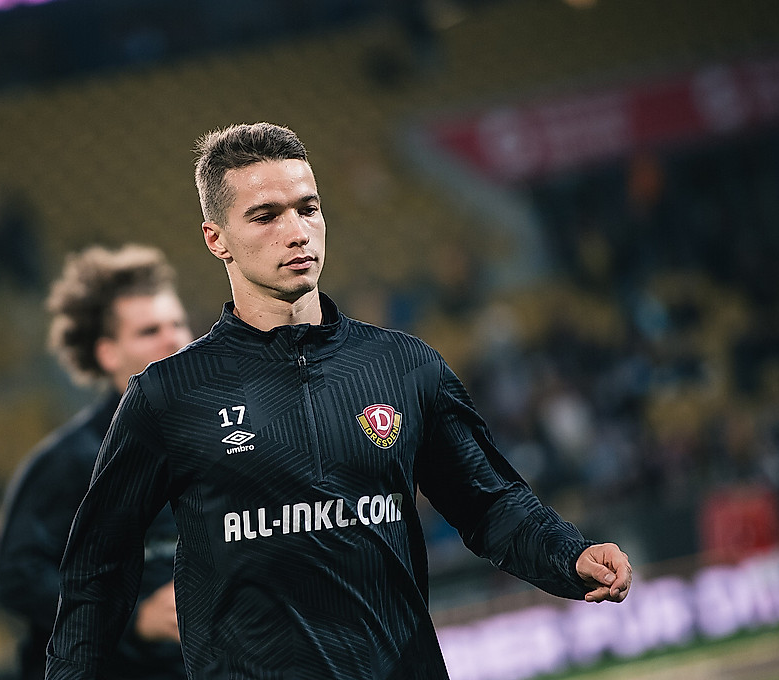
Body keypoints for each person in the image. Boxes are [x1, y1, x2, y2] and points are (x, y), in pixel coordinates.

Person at [44, 123, 632, 680]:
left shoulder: (405, 366)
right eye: (266, 216)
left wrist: (569, 556)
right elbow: (99, 570)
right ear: (216, 238)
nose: (297, 231)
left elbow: (489, 504)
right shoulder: (168, 395)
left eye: (308, 208)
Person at [0, 244, 193, 680]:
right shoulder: (73, 461)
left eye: (178, 324)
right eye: (149, 331)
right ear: (108, 354)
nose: (174, 340)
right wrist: (132, 618)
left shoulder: (219, 443)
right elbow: (19, 577)